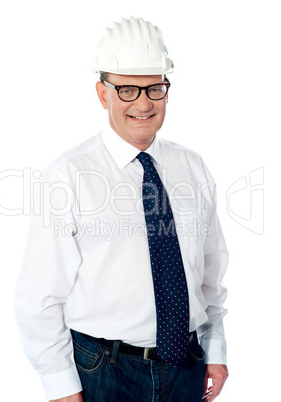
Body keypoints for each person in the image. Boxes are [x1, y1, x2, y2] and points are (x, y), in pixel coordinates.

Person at [15, 16, 229, 402]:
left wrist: (215, 348)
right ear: (103, 94)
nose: (144, 103)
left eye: (155, 88)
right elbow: (39, 296)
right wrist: (60, 386)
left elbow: (210, 273)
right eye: (127, 89)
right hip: (105, 371)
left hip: (188, 366)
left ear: (167, 90)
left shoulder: (192, 167)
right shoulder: (68, 176)